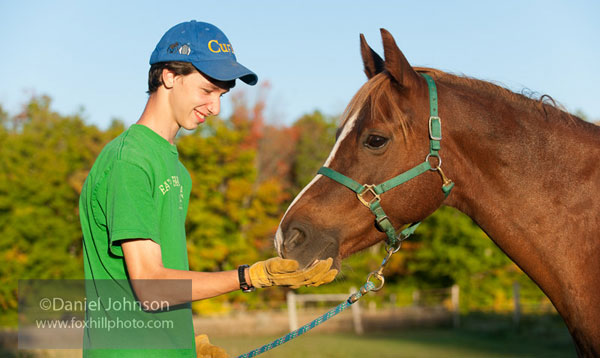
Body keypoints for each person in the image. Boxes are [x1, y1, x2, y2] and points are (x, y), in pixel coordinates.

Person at [78, 20, 337, 358]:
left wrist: (188, 339)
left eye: (222, 95)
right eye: (207, 91)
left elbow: (166, 272)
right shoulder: (130, 160)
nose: (216, 108)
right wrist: (251, 276)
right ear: (170, 76)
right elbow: (149, 284)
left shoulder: (176, 169)